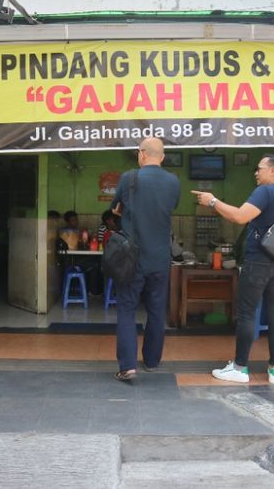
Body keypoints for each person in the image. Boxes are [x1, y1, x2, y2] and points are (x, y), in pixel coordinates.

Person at [194, 155, 274, 384]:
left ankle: (240, 368)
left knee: (248, 313)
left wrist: (213, 201)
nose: (255, 173)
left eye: (258, 168)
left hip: (258, 262)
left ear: (273, 170)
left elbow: (240, 216)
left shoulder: (265, 192)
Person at [110, 137, 180, 381]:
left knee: (127, 310)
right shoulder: (173, 181)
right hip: (160, 258)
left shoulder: (129, 178)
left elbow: (115, 208)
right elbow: (169, 207)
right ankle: (152, 361)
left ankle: (128, 366)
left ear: (141, 154)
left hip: (132, 258)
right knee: (157, 311)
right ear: (161, 157)